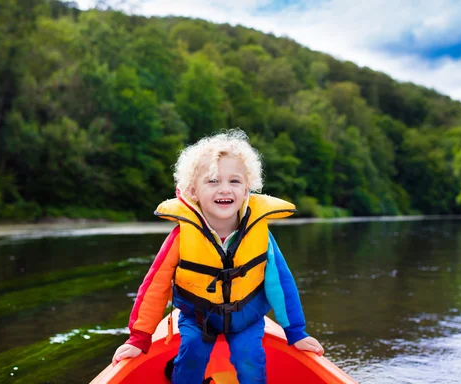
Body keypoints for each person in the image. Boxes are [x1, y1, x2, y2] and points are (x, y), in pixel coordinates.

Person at [112, 129, 324, 383]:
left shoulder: (261, 235)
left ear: (247, 190)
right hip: (197, 317)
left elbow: (281, 284)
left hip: (247, 318)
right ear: (192, 191)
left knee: (250, 359)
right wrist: (139, 338)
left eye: (234, 182)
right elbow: (154, 287)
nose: (225, 189)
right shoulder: (180, 237)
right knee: (191, 352)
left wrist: (296, 333)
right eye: (212, 181)